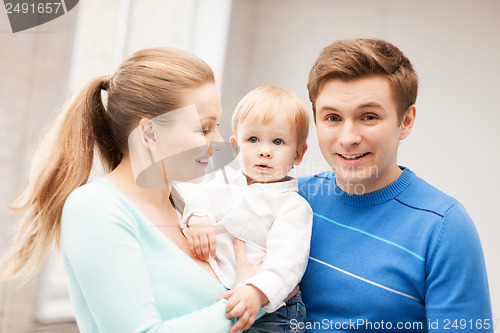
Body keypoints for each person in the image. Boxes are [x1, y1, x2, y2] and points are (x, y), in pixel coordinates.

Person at [1, 47, 262, 333]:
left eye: (217, 126)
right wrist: (253, 301)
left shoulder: (192, 210)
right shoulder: (96, 208)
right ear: (149, 133)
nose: (219, 142)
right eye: (204, 129)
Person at [297, 38, 493, 332]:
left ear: (406, 121)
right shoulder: (289, 200)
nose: (348, 137)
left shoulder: (444, 227)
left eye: (369, 117)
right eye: (333, 117)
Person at [178, 86, 312, 333]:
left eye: (278, 141)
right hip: (226, 296)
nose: (264, 150)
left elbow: (288, 262)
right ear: (236, 146)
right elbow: (194, 193)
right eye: (253, 139)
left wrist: (257, 291)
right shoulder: (222, 180)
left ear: (298, 153)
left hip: (273, 311)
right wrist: (199, 217)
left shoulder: (292, 206)